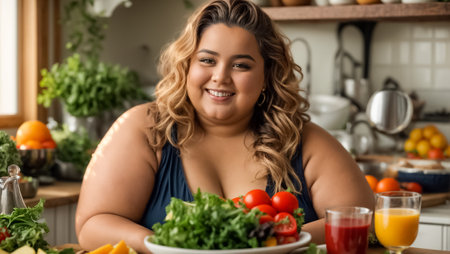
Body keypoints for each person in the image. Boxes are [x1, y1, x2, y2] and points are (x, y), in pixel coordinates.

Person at [75, 0, 375, 253]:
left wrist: (271, 242)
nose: (220, 77)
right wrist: (174, 246)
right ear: (187, 65)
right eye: (207, 60)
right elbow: (92, 226)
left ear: (267, 75)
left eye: (241, 65)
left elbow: (365, 220)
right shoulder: (144, 128)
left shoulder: (305, 140)